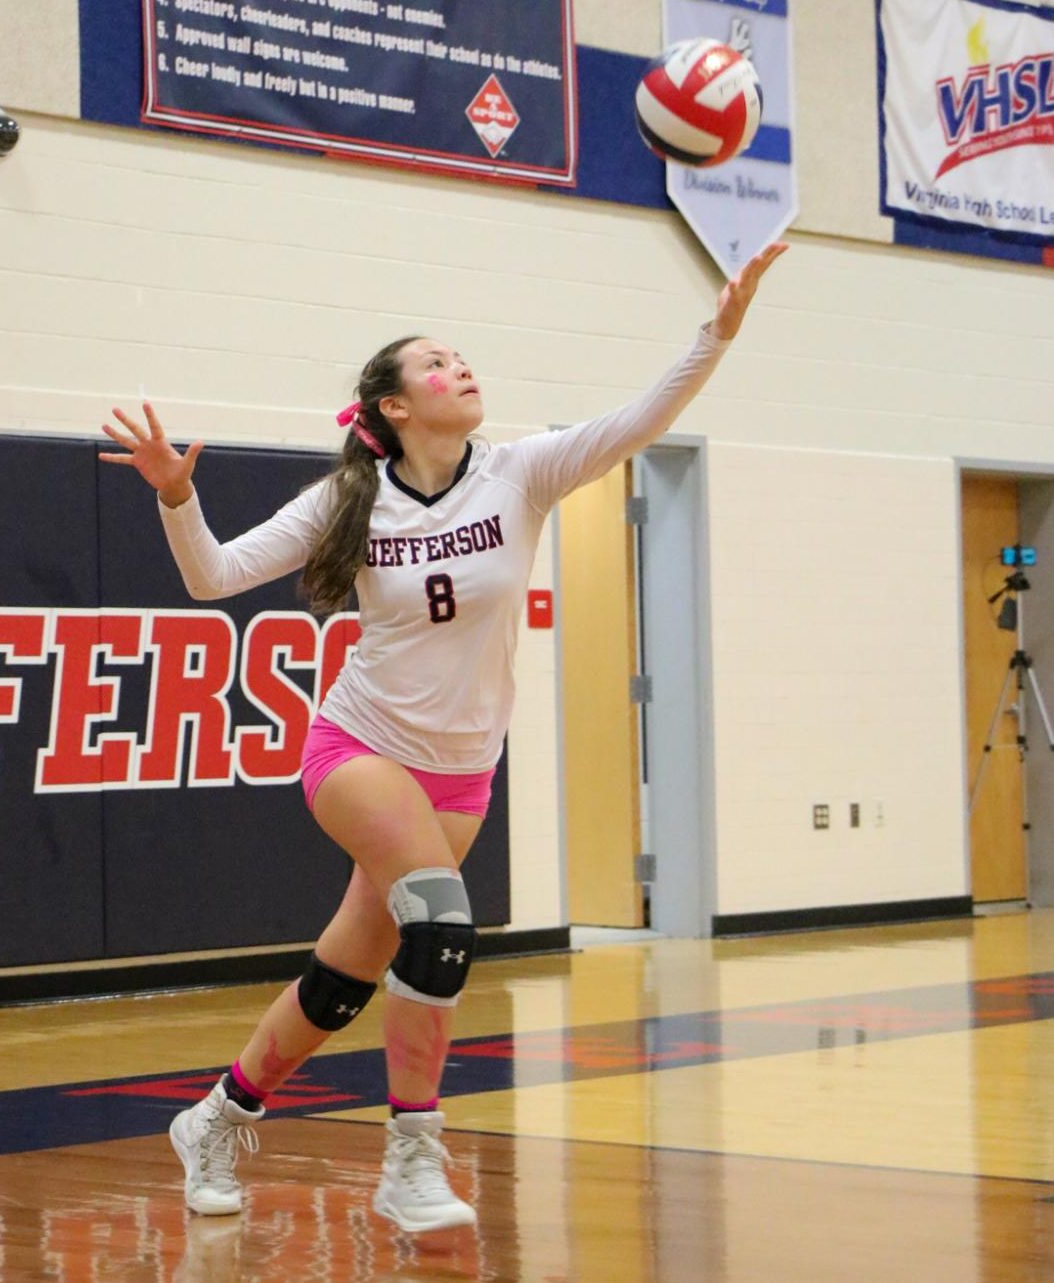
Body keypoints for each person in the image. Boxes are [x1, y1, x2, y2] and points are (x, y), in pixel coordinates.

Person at [98, 242, 787, 1233]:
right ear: (391, 407)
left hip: (461, 776)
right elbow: (212, 575)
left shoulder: (523, 472)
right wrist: (175, 493)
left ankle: (215, 1115)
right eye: (434, 362)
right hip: (357, 749)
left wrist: (716, 328)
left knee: (340, 981)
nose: (457, 367)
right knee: (441, 922)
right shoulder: (348, 499)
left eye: (460, 357)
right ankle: (411, 1154)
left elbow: (647, 416)